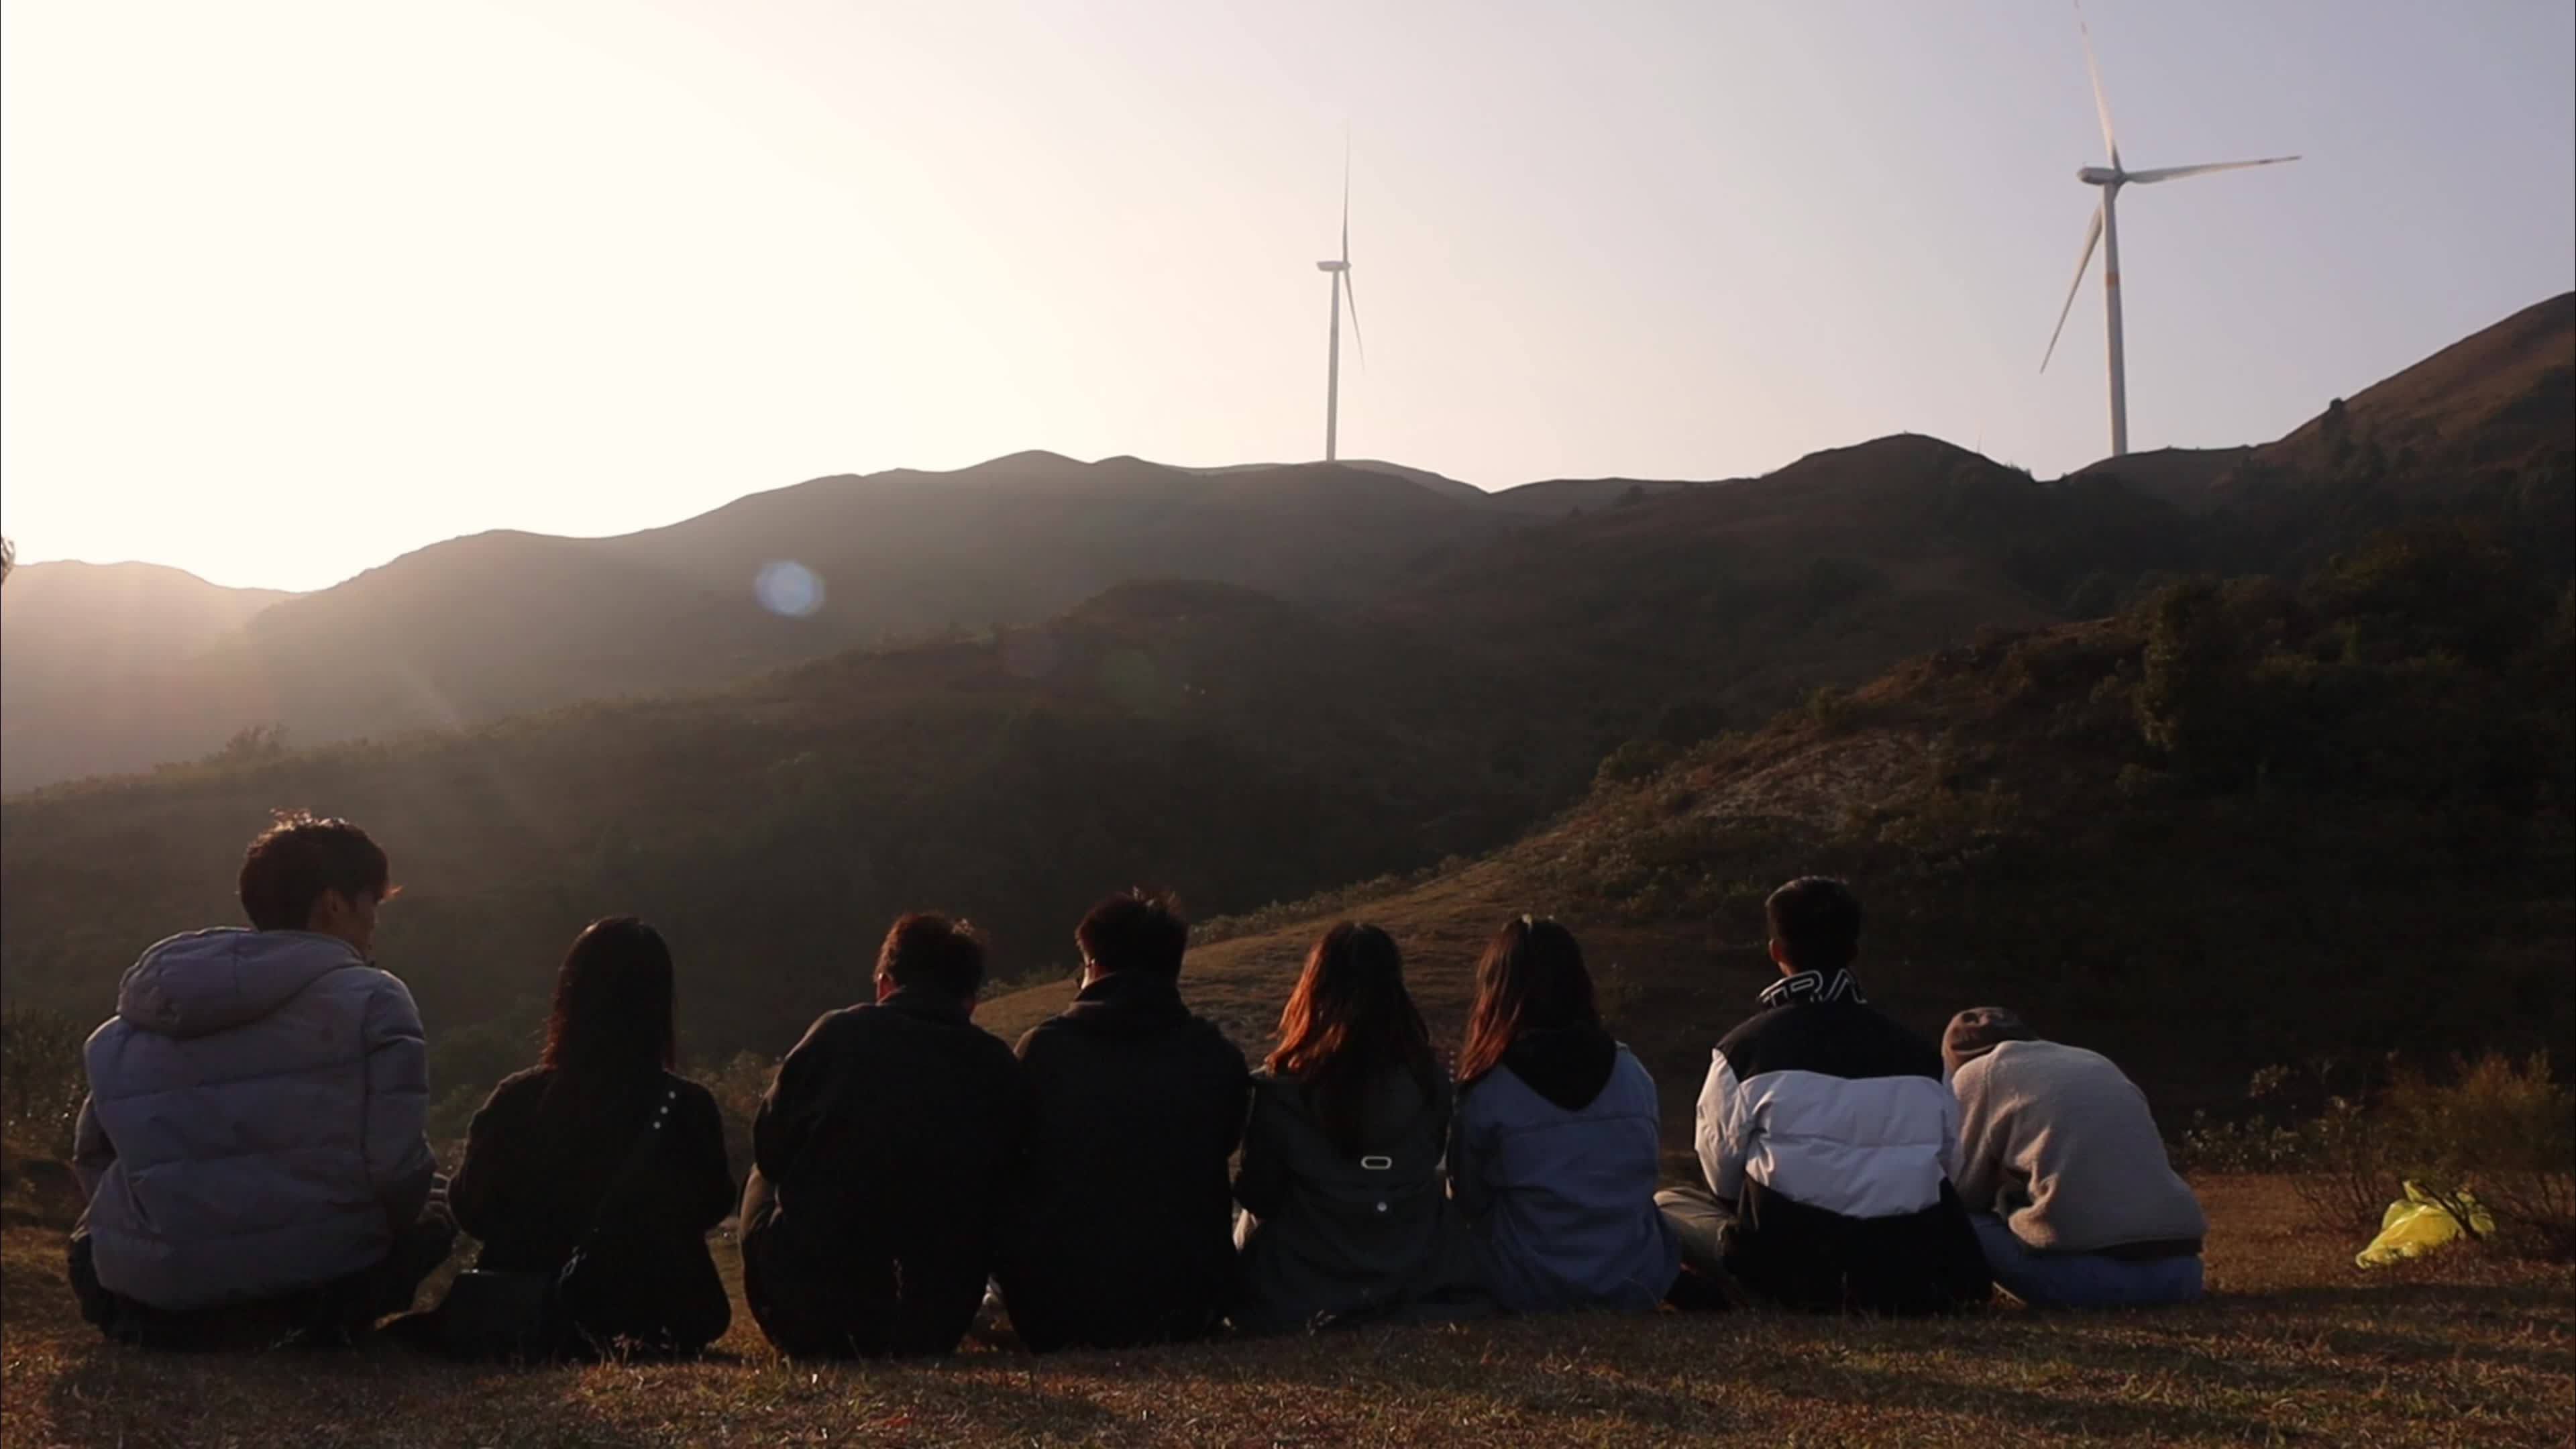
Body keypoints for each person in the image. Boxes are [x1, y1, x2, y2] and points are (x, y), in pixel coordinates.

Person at [66, 812, 455, 1348]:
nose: (375, 923)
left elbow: (93, 1157)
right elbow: (395, 1170)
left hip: (148, 1304)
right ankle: (294, 1326)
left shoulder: (138, 1016)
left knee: (89, 1242)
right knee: (437, 1205)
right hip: (312, 1293)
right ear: (334, 903)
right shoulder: (376, 1000)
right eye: (373, 903)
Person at [1656, 877, 1990, 1313]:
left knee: (1669, 1203)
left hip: (1790, 1275)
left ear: (1776, 952)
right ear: (1854, 952)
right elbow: (1949, 1165)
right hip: (1905, 1273)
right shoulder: (1921, 1056)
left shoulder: (1743, 1051)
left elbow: (1722, 1178)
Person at [739, 913, 1026, 1357]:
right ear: (969, 1000)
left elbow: (771, 1149)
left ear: (884, 984)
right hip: (934, 1324)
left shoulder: (838, 1033)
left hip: (810, 1319)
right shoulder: (997, 1065)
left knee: (763, 1174)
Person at [446, 918, 735, 1356]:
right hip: (659, 1311)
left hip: (530, 1307)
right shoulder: (687, 1106)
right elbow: (713, 1203)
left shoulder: (520, 1099)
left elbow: (473, 1209)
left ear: (570, 996)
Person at [996, 890, 1251, 1351]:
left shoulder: (1045, 1051)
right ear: (1174, 968)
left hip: (1057, 1311)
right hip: (1190, 1305)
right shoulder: (1217, 1057)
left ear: (1093, 966)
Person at [1232, 922, 1487, 1334]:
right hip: (1413, 1274)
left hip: (1299, 1289)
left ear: (1312, 991)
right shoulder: (1430, 1083)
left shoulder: (1277, 1091)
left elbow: (1260, 1196)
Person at [1448, 916, 1680, 1313]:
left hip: (1525, 1286)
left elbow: (1469, 1201)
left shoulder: (1487, 1092)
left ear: (1495, 994)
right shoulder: (1631, 1072)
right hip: (1636, 1280)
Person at [1941, 1007, 2207, 1308]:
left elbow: (1964, 1192)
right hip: (2182, 1274)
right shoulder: (2093, 1060)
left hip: (2090, 1283)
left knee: (1951, 1215)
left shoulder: (1978, 1074)